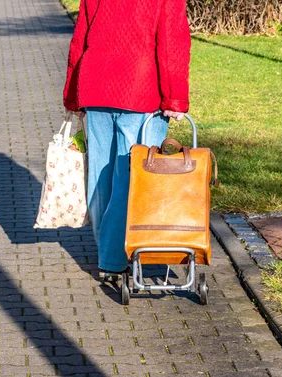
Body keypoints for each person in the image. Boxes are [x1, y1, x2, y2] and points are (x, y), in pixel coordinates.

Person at [63, 0, 191, 277]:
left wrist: (72, 94)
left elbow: (81, 37)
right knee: (132, 178)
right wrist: (175, 98)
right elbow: (172, 44)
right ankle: (112, 258)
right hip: (141, 91)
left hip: (96, 85)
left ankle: (107, 252)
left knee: (101, 175)